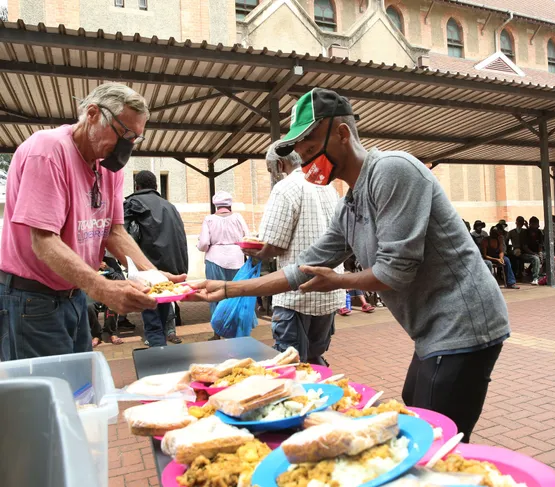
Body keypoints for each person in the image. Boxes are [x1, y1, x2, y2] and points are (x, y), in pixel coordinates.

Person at [192, 88, 510, 441]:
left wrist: (339, 281)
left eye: (311, 150)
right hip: (431, 329)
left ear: (342, 134)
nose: (307, 163)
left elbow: (395, 271)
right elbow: (302, 268)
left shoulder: (393, 170)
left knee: (433, 433)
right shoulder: (350, 204)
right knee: (416, 406)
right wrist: (227, 289)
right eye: (302, 155)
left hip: (464, 321)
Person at [0, 83, 184, 361]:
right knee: (50, 385)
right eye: (124, 133)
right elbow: (43, 241)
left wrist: (155, 277)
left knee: (81, 381)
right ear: (93, 114)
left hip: (74, 294)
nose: (127, 146)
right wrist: (102, 288)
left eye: (135, 138)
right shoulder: (48, 150)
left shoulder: (109, 164)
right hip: (32, 298)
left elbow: (114, 231)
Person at [242, 141, 345, 365]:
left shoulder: (285, 188)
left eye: (271, 170)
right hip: (328, 291)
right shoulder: (327, 185)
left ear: (280, 164)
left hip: (295, 295)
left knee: (290, 362)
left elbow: (274, 245)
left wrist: (255, 251)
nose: (273, 175)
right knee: (315, 357)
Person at [124, 170, 189, 347]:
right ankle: (163, 349)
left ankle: (158, 352)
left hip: (147, 271)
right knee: (162, 312)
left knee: (151, 318)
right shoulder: (170, 206)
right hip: (170, 270)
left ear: (137, 186)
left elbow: (122, 235)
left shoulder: (133, 203)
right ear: (156, 186)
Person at [197, 190, 249, 339]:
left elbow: (204, 243)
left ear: (216, 205)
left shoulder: (209, 219)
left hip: (214, 259)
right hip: (237, 259)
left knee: (214, 295)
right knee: (237, 295)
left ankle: (217, 333)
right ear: (230, 204)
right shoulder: (238, 217)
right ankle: (237, 332)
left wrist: (200, 247)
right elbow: (247, 237)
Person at [507, 216, 540, 285]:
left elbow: (531, 234)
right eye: (519, 222)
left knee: (535, 258)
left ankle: (534, 276)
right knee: (515, 255)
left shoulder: (525, 231)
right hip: (516, 249)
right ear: (516, 222)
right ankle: (517, 273)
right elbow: (506, 241)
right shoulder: (511, 232)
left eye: (522, 222)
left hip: (524, 251)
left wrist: (527, 226)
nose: (520, 223)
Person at [522, 216, 545, 284]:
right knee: (536, 258)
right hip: (526, 253)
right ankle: (535, 278)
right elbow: (525, 247)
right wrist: (534, 253)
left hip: (536, 252)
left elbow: (540, 244)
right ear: (531, 224)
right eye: (535, 224)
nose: (538, 226)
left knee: (547, 256)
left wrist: (540, 253)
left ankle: (544, 274)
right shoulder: (525, 233)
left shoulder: (539, 232)